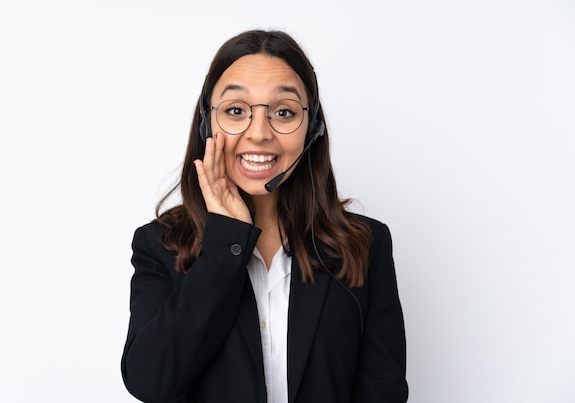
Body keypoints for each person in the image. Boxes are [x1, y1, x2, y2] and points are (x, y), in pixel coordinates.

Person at [121, 29, 408, 403]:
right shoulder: (158, 245)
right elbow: (150, 382)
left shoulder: (364, 243)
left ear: (313, 129)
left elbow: (382, 391)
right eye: (236, 111)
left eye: (284, 112)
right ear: (208, 124)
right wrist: (226, 244)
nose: (258, 134)